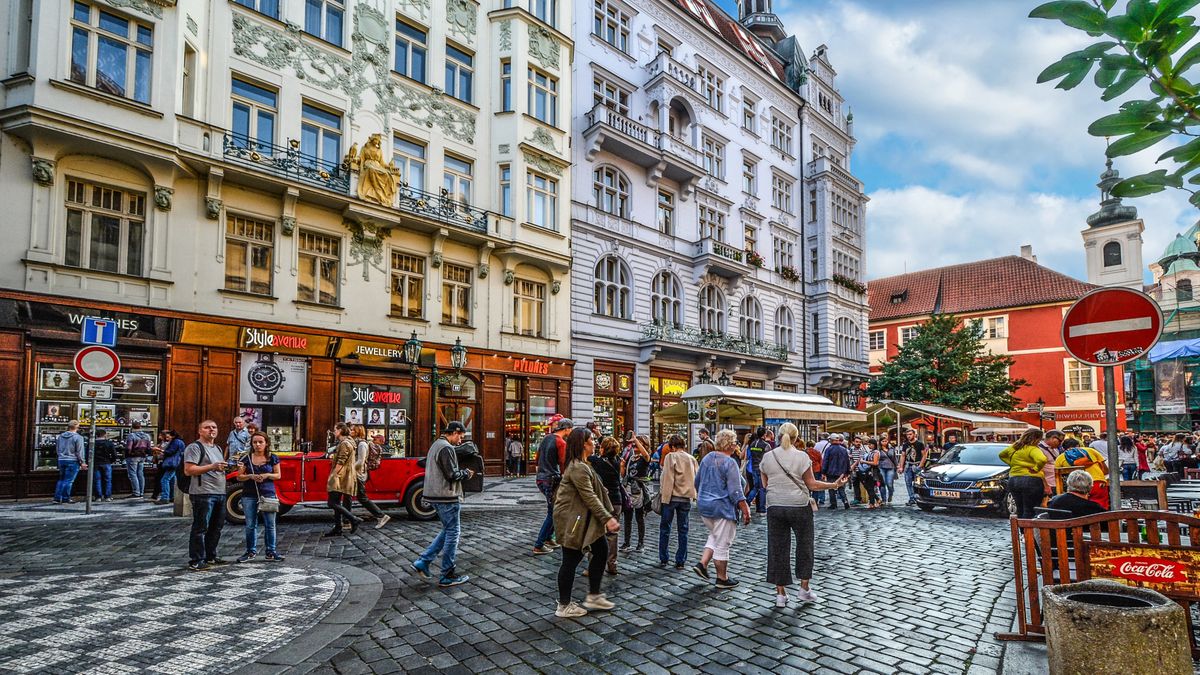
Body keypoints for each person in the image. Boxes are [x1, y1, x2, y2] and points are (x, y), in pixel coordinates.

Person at [761, 423, 849, 607]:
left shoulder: (768, 457)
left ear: (778, 436)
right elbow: (812, 484)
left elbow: (765, 484)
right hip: (799, 505)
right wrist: (834, 485)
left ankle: (780, 594)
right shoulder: (802, 456)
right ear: (796, 438)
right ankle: (804, 588)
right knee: (805, 546)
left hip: (775, 506)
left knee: (777, 549)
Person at [553, 428, 619, 618]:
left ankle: (594, 595)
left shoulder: (583, 465)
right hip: (573, 521)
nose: (595, 442)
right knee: (570, 560)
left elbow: (591, 491)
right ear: (584, 443)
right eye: (592, 439)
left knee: (601, 550)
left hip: (583, 519)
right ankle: (564, 605)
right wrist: (607, 518)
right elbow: (589, 496)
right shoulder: (578, 467)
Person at [412, 421, 475, 587]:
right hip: (446, 496)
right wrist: (466, 473)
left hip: (435, 495)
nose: (460, 441)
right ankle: (447, 574)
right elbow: (452, 474)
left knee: (447, 530)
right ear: (454, 432)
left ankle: (423, 561)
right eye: (460, 437)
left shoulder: (436, 445)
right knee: (453, 533)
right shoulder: (446, 448)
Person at [692, 429, 752, 589]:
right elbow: (735, 490)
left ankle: (703, 563)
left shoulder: (707, 458)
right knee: (723, 543)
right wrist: (745, 508)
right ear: (730, 444)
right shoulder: (729, 462)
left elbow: (697, 481)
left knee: (715, 535)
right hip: (722, 506)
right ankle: (722, 578)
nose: (736, 445)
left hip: (705, 505)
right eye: (735, 442)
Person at [184, 420, 229, 571]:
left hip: (220, 492)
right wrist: (212, 466)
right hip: (203, 493)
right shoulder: (194, 447)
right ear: (200, 431)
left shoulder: (217, 447)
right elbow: (189, 470)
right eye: (207, 427)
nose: (211, 430)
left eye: (214, 427)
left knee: (216, 527)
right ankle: (196, 560)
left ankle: (210, 556)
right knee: (200, 527)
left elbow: (218, 468)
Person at [237, 431, 285, 563]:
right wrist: (250, 476)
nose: (257, 445)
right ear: (251, 444)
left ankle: (271, 551)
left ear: (266, 443)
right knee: (250, 524)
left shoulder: (272, 457)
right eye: (255, 442)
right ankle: (250, 551)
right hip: (249, 493)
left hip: (268, 493)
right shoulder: (246, 458)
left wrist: (266, 475)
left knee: (270, 524)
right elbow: (239, 476)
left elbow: (278, 475)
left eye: (260, 442)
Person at [534, 417, 573, 555]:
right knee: (553, 512)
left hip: (541, 478)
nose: (571, 431)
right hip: (552, 479)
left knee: (554, 509)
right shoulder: (561, 442)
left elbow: (537, 458)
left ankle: (549, 538)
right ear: (567, 428)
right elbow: (563, 463)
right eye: (570, 429)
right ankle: (539, 544)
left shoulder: (547, 438)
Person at [658, 435, 697, 569]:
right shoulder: (691, 458)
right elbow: (695, 478)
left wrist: (664, 497)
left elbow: (668, 477)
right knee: (683, 530)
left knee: (665, 528)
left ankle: (664, 558)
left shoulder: (671, 456)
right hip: (686, 498)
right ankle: (680, 560)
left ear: (672, 447)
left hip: (671, 497)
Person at [341, 425, 389, 529]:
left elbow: (361, 461)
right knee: (348, 496)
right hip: (355, 474)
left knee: (360, 497)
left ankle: (381, 516)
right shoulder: (355, 442)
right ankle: (346, 521)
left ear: (358, 432)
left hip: (358, 474)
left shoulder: (362, 444)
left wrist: (348, 469)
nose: (350, 431)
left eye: (353, 430)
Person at [589, 436, 624, 575]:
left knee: (596, 533)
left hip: (602, 501)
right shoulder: (618, 461)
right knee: (613, 535)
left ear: (602, 449)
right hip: (616, 501)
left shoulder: (596, 462)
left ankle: (594, 565)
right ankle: (612, 564)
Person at [999, 429, 1047, 519]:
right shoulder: (1032, 449)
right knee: (1030, 509)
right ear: (1036, 439)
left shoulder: (1014, 447)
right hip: (1031, 479)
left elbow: (1001, 455)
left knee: (1020, 508)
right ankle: (1028, 531)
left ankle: (1022, 531)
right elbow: (1042, 459)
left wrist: (1011, 463)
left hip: (1014, 479)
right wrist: (1036, 469)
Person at [324, 423, 362, 537]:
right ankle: (338, 527)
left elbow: (341, 461)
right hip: (344, 476)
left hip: (341, 476)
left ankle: (353, 519)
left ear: (340, 430)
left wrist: (333, 475)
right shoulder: (347, 442)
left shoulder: (345, 443)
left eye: (335, 430)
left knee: (332, 503)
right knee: (335, 502)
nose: (334, 432)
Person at [1055, 440, 1111, 509]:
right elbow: (1105, 470)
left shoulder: (1060, 457)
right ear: (1079, 445)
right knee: (1100, 505)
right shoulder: (1091, 451)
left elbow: (1058, 475)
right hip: (1097, 482)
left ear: (1063, 448)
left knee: (1079, 507)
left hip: (1075, 487)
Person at [619, 435, 650, 552]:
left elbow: (646, 455)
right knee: (627, 517)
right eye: (634, 445)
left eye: (638, 444)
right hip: (629, 490)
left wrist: (636, 440)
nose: (635, 446)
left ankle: (640, 543)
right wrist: (622, 466)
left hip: (639, 491)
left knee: (639, 517)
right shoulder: (631, 458)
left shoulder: (645, 458)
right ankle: (627, 542)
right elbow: (624, 475)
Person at [53, 420, 87, 504]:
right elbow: (79, 451)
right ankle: (65, 498)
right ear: (77, 427)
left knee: (61, 479)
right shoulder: (78, 437)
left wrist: (60, 456)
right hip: (72, 460)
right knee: (69, 480)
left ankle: (57, 498)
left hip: (61, 460)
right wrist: (82, 462)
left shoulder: (61, 436)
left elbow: (57, 449)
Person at [821, 434, 852, 509]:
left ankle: (833, 504)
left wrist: (823, 472)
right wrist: (847, 472)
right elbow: (847, 461)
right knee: (841, 488)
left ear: (831, 440)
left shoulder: (829, 449)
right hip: (841, 472)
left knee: (831, 488)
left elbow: (825, 461)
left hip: (831, 472)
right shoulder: (843, 449)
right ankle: (845, 502)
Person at [746, 427, 772, 514]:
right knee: (763, 488)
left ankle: (747, 501)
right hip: (762, 469)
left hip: (753, 468)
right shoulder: (766, 445)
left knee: (755, 487)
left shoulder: (752, 444)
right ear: (764, 434)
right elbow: (769, 458)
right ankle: (762, 508)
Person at [124, 421, 152, 499]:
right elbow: (149, 448)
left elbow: (129, 448)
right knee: (140, 473)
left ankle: (136, 492)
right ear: (140, 427)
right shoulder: (147, 436)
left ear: (132, 427)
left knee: (132, 474)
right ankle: (141, 492)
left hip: (133, 456)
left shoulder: (131, 435)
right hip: (142, 456)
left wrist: (127, 454)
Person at [898, 429, 926, 506]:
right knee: (908, 483)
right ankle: (911, 498)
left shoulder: (920, 444)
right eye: (907, 435)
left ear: (914, 434)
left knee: (917, 483)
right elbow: (903, 456)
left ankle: (917, 498)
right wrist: (901, 467)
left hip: (916, 465)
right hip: (908, 465)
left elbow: (924, 455)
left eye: (910, 434)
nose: (909, 436)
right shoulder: (905, 444)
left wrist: (920, 465)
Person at [157, 429, 185, 504]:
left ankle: (165, 497)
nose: (167, 438)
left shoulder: (175, 442)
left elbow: (170, 452)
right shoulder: (181, 442)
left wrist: (160, 450)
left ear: (173, 436)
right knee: (172, 480)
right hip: (177, 463)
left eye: (169, 436)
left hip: (172, 463)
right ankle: (172, 496)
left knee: (164, 480)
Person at [92, 429, 117, 502]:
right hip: (106, 463)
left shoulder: (92, 443)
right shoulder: (109, 443)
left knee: (97, 480)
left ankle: (98, 497)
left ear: (96, 435)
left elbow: (88, 454)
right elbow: (114, 455)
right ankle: (107, 496)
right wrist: (111, 461)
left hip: (96, 463)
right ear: (105, 435)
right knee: (108, 480)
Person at [1039, 430, 1065, 498]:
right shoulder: (1039, 449)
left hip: (1056, 483)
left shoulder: (1055, 449)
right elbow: (1039, 470)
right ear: (1053, 438)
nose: (1060, 444)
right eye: (1059, 441)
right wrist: (1046, 486)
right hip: (1048, 484)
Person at [858, 439, 882, 508]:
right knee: (868, 487)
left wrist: (864, 462)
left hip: (873, 471)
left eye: (870, 444)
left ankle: (872, 503)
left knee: (870, 487)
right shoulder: (871, 452)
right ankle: (877, 500)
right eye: (868, 444)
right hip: (869, 470)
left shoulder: (876, 452)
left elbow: (875, 463)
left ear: (874, 444)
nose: (869, 446)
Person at [877, 439, 899, 505]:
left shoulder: (891, 448)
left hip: (891, 467)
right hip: (881, 467)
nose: (884, 442)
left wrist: (897, 466)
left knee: (889, 483)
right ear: (880, 442)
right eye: (883, 441)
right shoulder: (878, 449)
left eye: (886, 441)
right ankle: (884, 499)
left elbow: (894, 458)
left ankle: (890, 494)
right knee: (882, 483)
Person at [805, 441, 826, 506]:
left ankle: (807, 500)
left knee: (807, 486)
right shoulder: (817, 452)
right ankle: (815, 501)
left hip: (807, 469)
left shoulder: (805, 452)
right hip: (817, 469)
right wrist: (823, 472)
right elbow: (821, 462)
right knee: (815, 485)